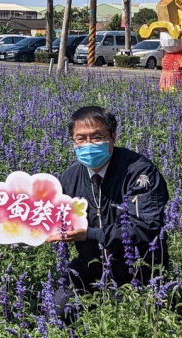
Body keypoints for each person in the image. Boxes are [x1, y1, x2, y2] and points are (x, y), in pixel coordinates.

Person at [46, 106, 169, 307]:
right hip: (91, 265)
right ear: (73, 142)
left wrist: (90, 234)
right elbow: (41, 220)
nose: (88, 144)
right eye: (81, 139)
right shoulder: (71, 177)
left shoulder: (140, 173)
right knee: (58, 308)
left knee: (143, 322)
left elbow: (146, 227)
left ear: (113, 137)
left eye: (96, 137)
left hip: (138, 268)